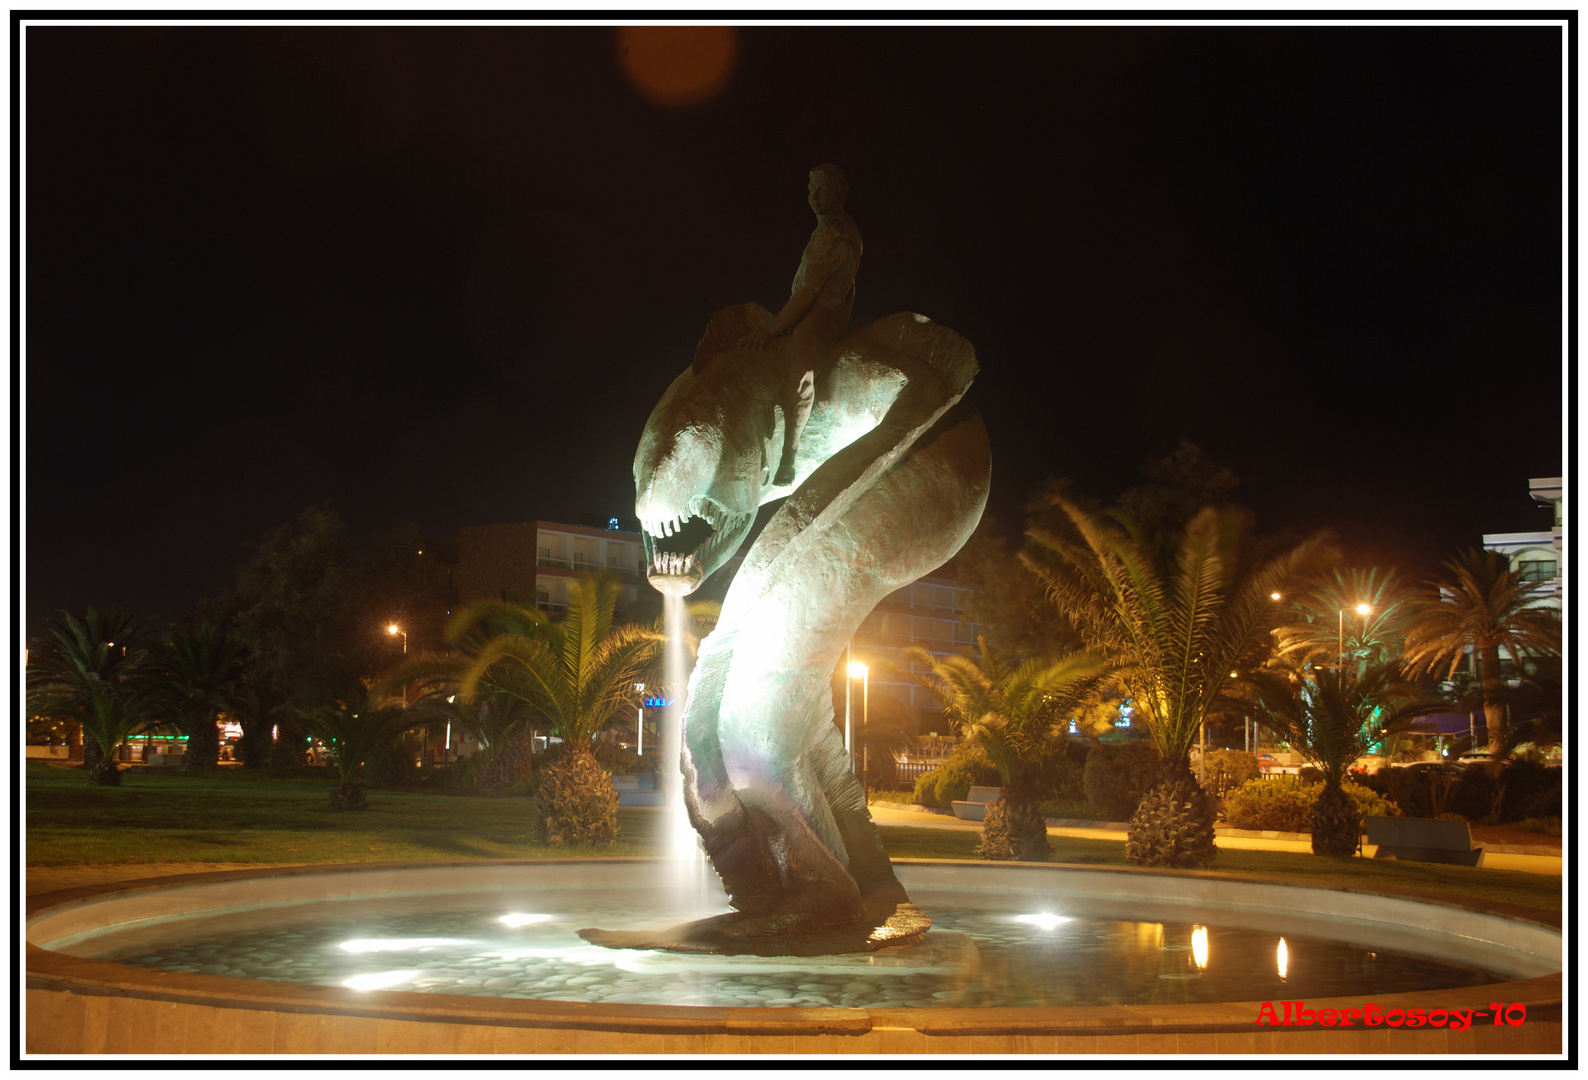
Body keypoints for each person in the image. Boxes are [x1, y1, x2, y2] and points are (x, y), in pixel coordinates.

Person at [739, 164, 862, 486]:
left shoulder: (833, 232)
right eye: (811, 190)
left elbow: (809, 292)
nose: (815, 197)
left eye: (823, 190)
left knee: (800, 374)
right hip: (821, 307)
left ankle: (789, 457)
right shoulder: (830, 227)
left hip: (822, 312)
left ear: (841, 194)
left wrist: (769, 331)